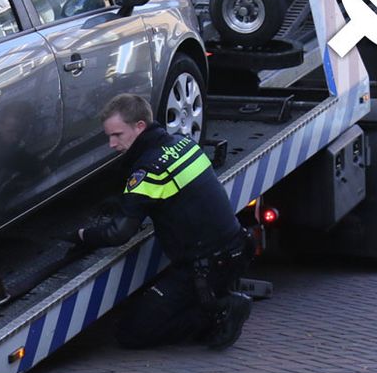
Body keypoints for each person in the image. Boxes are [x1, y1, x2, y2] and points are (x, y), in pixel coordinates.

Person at [67, 93, 254, 350]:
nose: (111, 143)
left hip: (204, 267)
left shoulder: (148, 170)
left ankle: (218, 311)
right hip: (235, 249)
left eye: (117, 135)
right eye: (109, 136)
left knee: (132, 333)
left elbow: (118, 233)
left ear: (140, 127)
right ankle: (211, 300)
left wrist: (81, 235)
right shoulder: (182, 143)